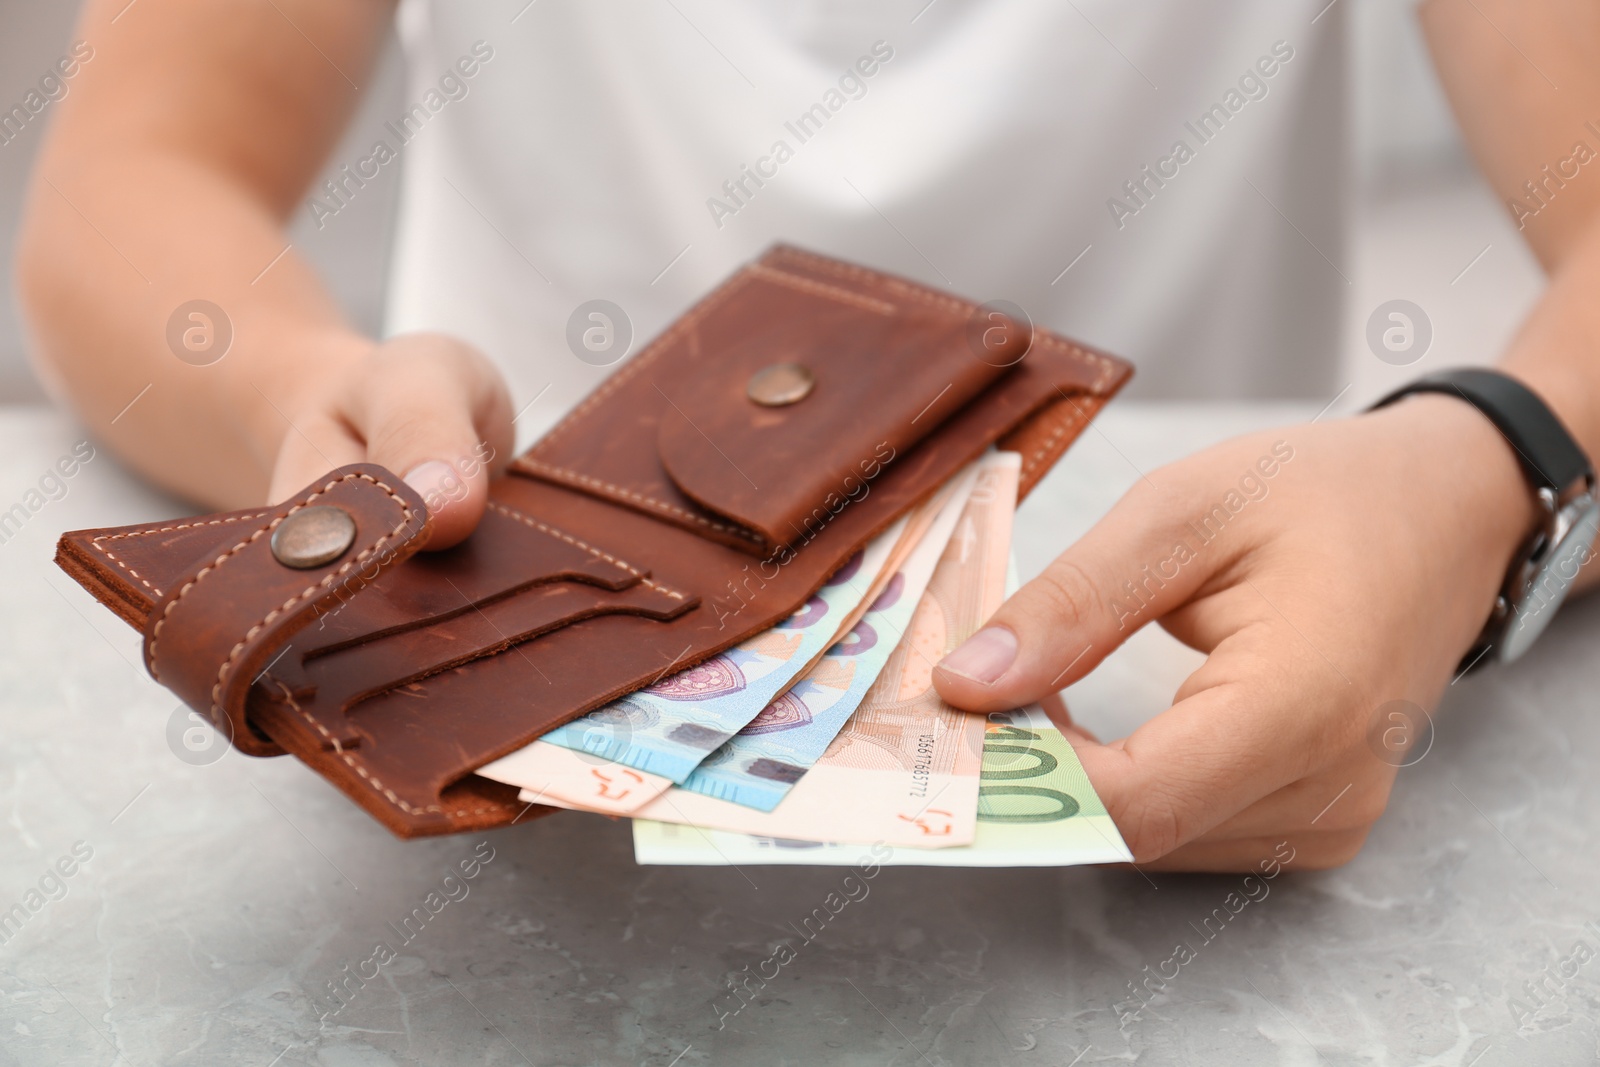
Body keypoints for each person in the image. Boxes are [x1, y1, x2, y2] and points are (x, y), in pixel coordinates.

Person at [16, 0, 1600, 872]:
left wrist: (1483, 462)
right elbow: (130, 183)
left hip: (1172, 668)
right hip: (484, 669)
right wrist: (312, 395)